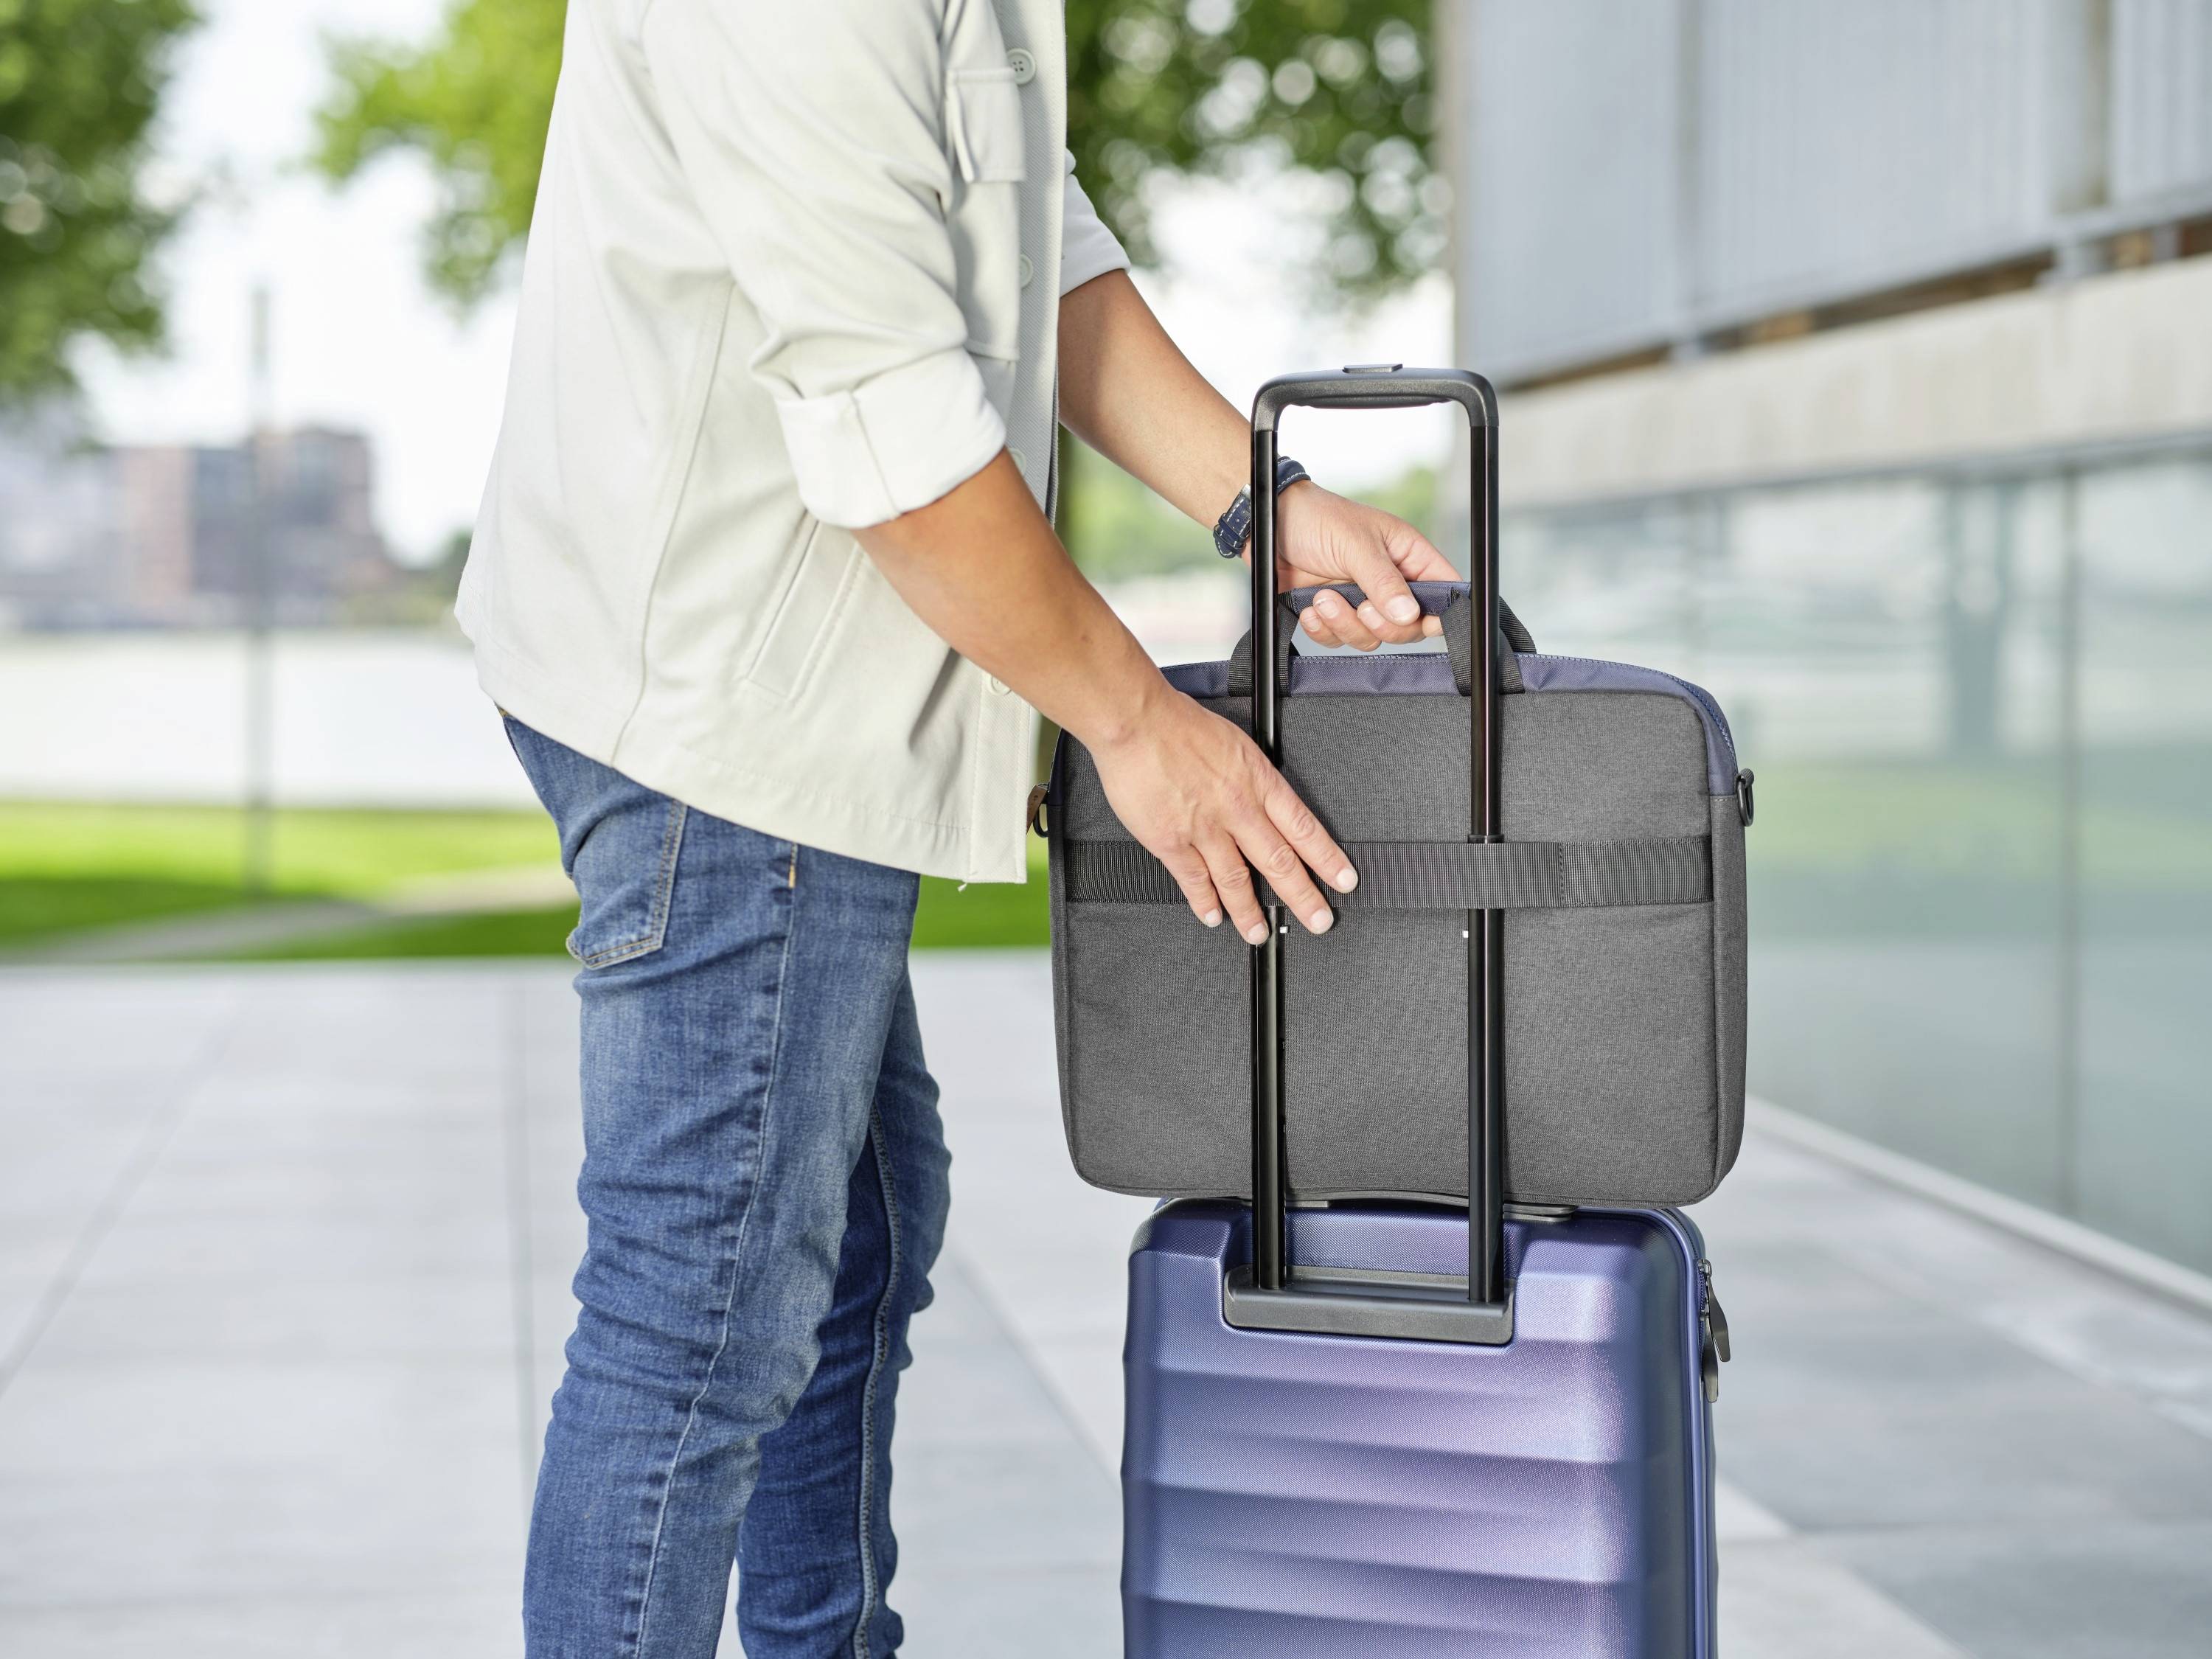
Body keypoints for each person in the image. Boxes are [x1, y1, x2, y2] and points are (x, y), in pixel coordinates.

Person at [459, 3, 1455, 1653]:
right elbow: (893, 429)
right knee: (702, 1308)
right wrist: (1137, 724)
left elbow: (1018, 233)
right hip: (732, 718)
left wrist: (1258, 502)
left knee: (852, 1230)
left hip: (754, 686)